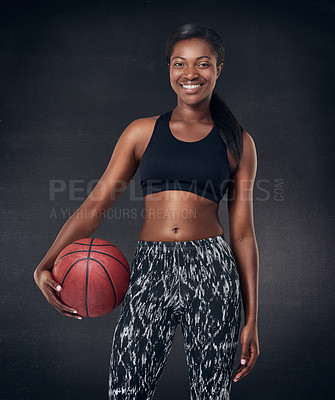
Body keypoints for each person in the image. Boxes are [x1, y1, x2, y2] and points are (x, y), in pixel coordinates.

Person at [34, 22, 260, 400]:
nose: (190, 74)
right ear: (169, 69)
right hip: (149, 269)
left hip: (213, 272)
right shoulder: (141, 132)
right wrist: (45, 264)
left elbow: (243, 235)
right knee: (126, 390)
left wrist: (252, 319)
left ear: (218, 68)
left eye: (202, 64)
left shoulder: (238, 141)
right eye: (179, 64)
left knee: (211, 394)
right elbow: (95, 206)